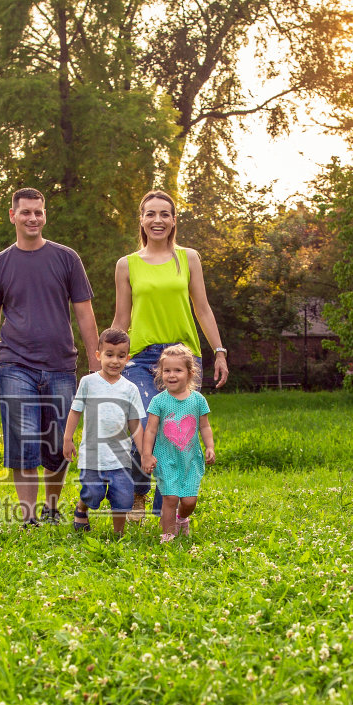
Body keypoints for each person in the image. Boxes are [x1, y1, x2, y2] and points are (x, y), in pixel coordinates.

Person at [0, 188, 101, 525]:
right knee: (23, 441)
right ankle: (29, 518)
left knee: (58, 443)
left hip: (61, 365)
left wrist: (96, 362)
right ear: (12, 215)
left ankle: (52, 508)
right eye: (26, 212)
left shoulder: (67, 258)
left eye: (38, 212)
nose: (33, 218)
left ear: (45, 215)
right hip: (15, 364)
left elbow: (85, 313)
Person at [111, 190, 228, 520]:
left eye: (164, 214)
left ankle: (168, 512)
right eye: (151, 214)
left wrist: (219, 351)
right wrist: (107, 358)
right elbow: (121, 317)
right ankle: (138, 490)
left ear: (174, 220)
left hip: (183, 357)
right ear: (142, 220)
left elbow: (202, 308)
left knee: (178, 435)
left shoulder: (188, 258)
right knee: (143, 425)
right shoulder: (127, 265)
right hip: (140, 357)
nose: (157, 220)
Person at [61, 328, 145, 534]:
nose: (115, 361)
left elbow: (135, 424)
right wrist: (67, 439)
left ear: (128, 359)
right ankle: (82, 507)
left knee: (123, 498)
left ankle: (118, 533)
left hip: (120, 457)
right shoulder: (88, 382)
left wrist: (144, 453)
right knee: (92, 494)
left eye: (121, 356)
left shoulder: (130, 389)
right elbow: (75, 411)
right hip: (92, 456)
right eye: (109, 355)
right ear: (98, 355)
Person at [141, 344, 215, 544]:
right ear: (161, 373)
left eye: (177, 370)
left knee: (189, 501)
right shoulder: (159, 401)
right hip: (166, 458)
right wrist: (146, 455)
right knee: (170, 498)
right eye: (167, 370)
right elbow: (151, 430)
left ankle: (181, 519)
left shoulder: (198, 400)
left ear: (190, 373)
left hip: (190, 460)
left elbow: (205, 426)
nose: (171, 375)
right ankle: (167, 536)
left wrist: (210, 447)